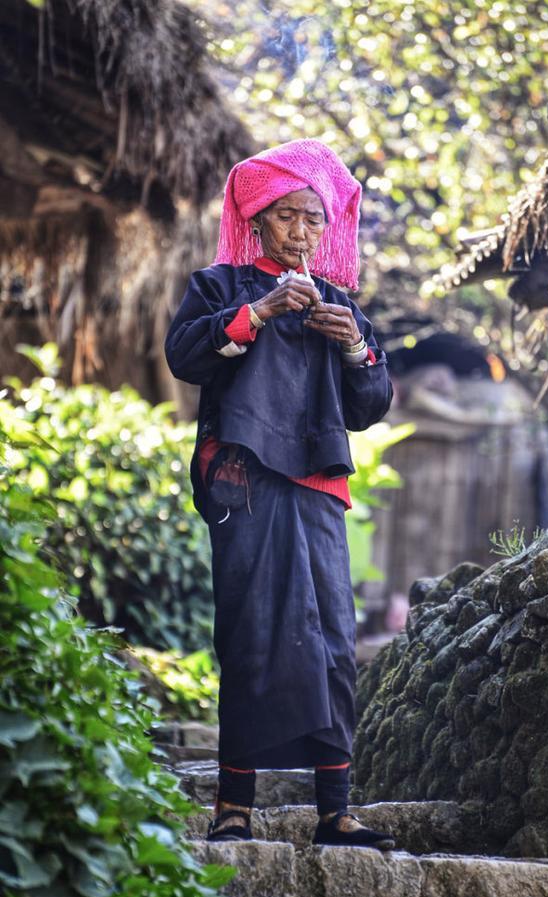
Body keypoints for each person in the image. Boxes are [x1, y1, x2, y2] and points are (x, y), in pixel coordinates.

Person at [164, 139, 395, 849]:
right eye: (288, 216)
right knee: (251, 632)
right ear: (258, 221)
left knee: (329, 636)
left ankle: (337, 810)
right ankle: (233, 806)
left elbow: (372, 402)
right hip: (245, 486)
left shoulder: (340, 305)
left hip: (318, 488)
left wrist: (355, 346)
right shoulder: (220, 285)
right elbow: (185, 355)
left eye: (314, 220)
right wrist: (258, 313)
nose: (302, 231)